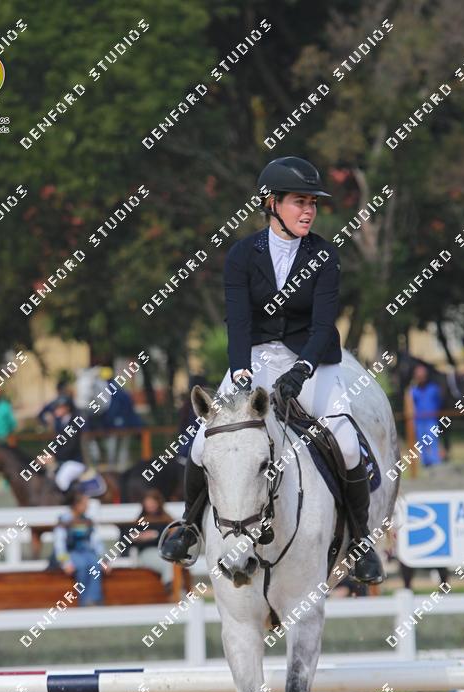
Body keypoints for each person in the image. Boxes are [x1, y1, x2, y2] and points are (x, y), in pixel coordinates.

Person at [159, 155, 383, 584]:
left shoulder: (324, 254)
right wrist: (241, 372)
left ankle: (361, 540)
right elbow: (239, 322)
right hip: (258, 355)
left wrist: (301, 370)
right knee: (203, 442)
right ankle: (189, 526)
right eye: (299, 201)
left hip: (312, 358)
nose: (308, 211)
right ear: (271, 203)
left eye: (312, 203)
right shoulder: (242, 255)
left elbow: (323, 324)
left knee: (346, 441)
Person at [52, 493, 110, 605]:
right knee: (82, 565)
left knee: (95, 564)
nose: (87, 507)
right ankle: (83, 601)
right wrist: (65, 562)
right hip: (71, 553)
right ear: (76, 505)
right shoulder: (65, 520)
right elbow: (59, 544)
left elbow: (96, 541)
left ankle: (94, 600)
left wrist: (104, 559)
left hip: (87, 552)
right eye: (84, 504)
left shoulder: (87, 521)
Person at [130, 490, 174, 589]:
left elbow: (169, 537)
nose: (149, 505)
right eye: (147, 503)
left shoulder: (165, 519)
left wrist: (155, 535)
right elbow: (131, 538)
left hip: (164, 551)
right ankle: (169, 586)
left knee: (174, 563)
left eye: (152, 502)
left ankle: (176, 589)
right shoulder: (141, 520)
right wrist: (141, 537)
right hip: (147, 552)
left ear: (158, 503)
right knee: (168, 564)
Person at [408, 364, 444, 467]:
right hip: (419, 421)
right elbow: (411, 406)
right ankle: (426, 464)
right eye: (418, 376)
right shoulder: (413, 391)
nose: (420, 378)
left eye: (422, 376)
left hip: (431, 420)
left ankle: (436, 463)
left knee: (433, 441)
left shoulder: (434, 389)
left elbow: (439, 402)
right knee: (421, 443)